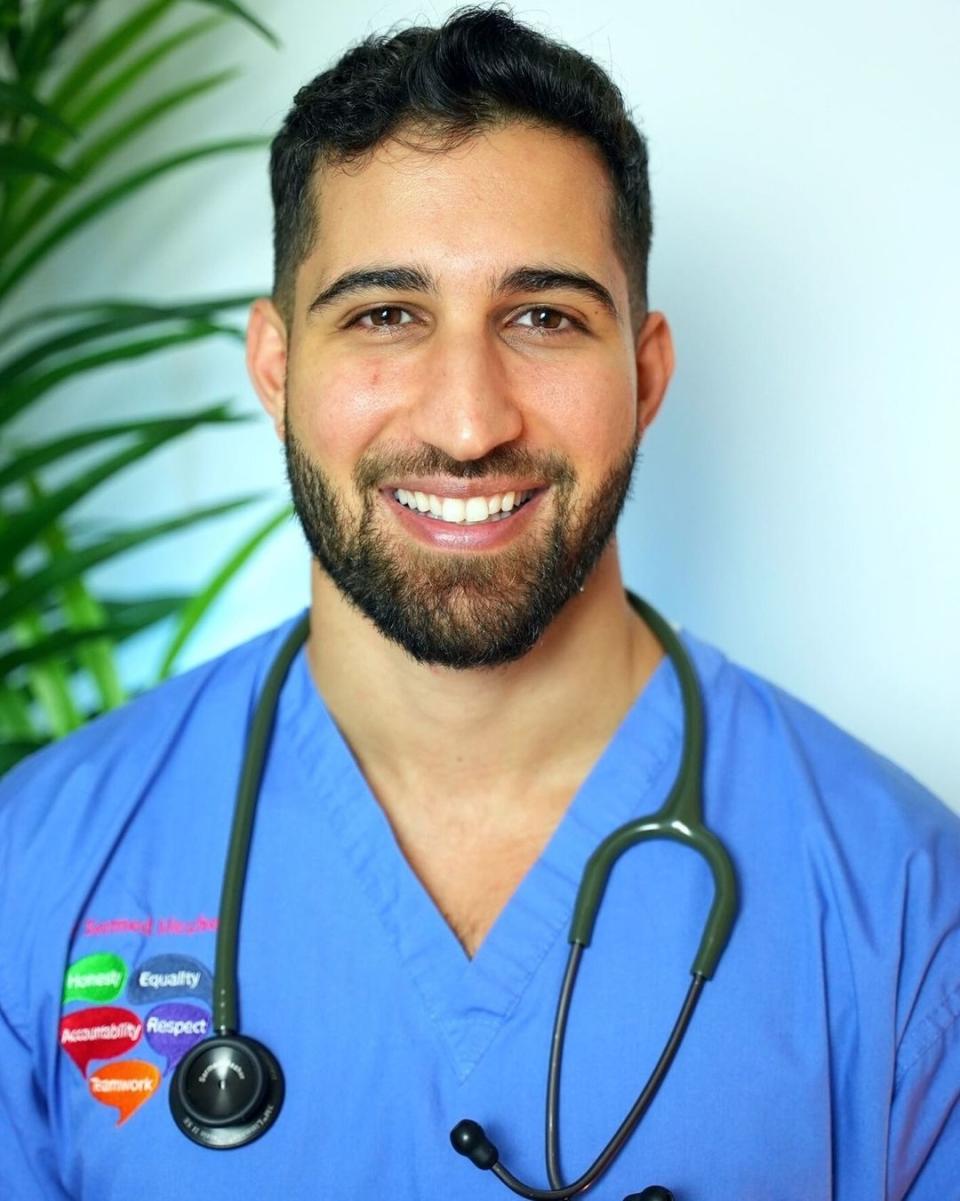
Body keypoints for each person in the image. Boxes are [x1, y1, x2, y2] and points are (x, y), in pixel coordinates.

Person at [1, 6, 957, 1199]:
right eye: (385, 315)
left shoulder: (909, 911)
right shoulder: (31, 872)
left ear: (646, 374)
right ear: (275, 367)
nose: (467, 422)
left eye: (544, 317)